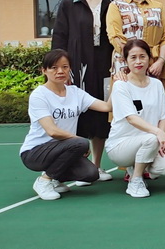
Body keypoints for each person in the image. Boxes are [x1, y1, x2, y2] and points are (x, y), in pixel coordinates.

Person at [51, 0, 114, 183]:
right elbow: (60, 38)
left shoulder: (111, 6)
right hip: (78, 68)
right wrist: (62, 70)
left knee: (102, 115)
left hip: (104, 67)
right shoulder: (69, 5)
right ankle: (75, 166)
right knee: (77, 115)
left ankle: (96, 166)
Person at [19, 49, 112, 200]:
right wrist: (78, 141)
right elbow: (52, 131)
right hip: (35, 152)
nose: (60, 71)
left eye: (65, 67)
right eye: (54, 68)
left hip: (63, 149)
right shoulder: (39, 95)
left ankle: (55, 179)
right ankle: (44, 181)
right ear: (44, 70)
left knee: (91, 174)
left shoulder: (75, 92)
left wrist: (116, 83)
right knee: (80, 143)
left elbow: (107, 107)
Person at [105, 40, 165, 198]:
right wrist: (158, 134)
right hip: (120, 146)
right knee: (151, 138)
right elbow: (131, 119)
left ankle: (137, 166)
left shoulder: (156, 84)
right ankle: (135, 180)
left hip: (149, 141)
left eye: (142, 56)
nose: (138, 61)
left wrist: (160, 141)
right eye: (133, 57)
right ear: (125, 60)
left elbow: (163, 116)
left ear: (149, 58)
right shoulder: (121, 85)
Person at [106, 0, 165, 89]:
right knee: (126, 97)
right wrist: (134, 60)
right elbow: (115, 36)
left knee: (153, 97)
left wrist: (160, 61)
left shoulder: (158, 6)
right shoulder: (116, 6)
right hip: (125, 64)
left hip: (153, 65)